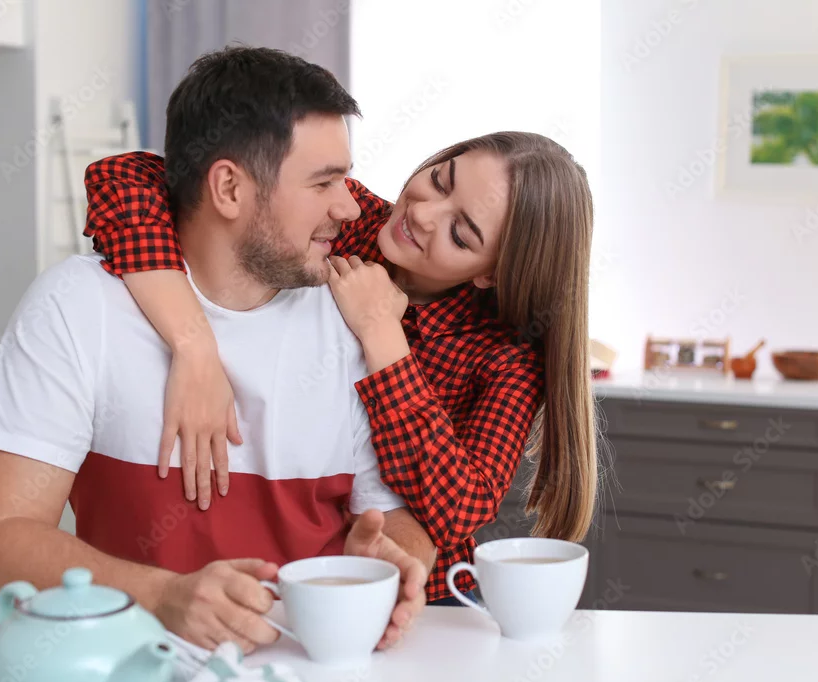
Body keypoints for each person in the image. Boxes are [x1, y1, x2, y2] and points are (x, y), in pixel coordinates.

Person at [0, 46, 433, 653]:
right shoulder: (76, 305)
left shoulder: (357, 314)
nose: (350, 208)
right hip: (135, 661)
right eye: (323, 183)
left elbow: (394, 516)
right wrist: (161, 596)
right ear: (229, 188)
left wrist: (393, 559)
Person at [82, 103, 601, 608]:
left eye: (460, 233)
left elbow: (458, 509)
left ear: (491, 274)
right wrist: (193, 345)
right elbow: (124, 178)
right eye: (440, 180)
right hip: (299, 573)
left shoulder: (507, 355)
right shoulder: (349, 219)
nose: (421, 214)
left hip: (419, 599)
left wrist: (383, 338)